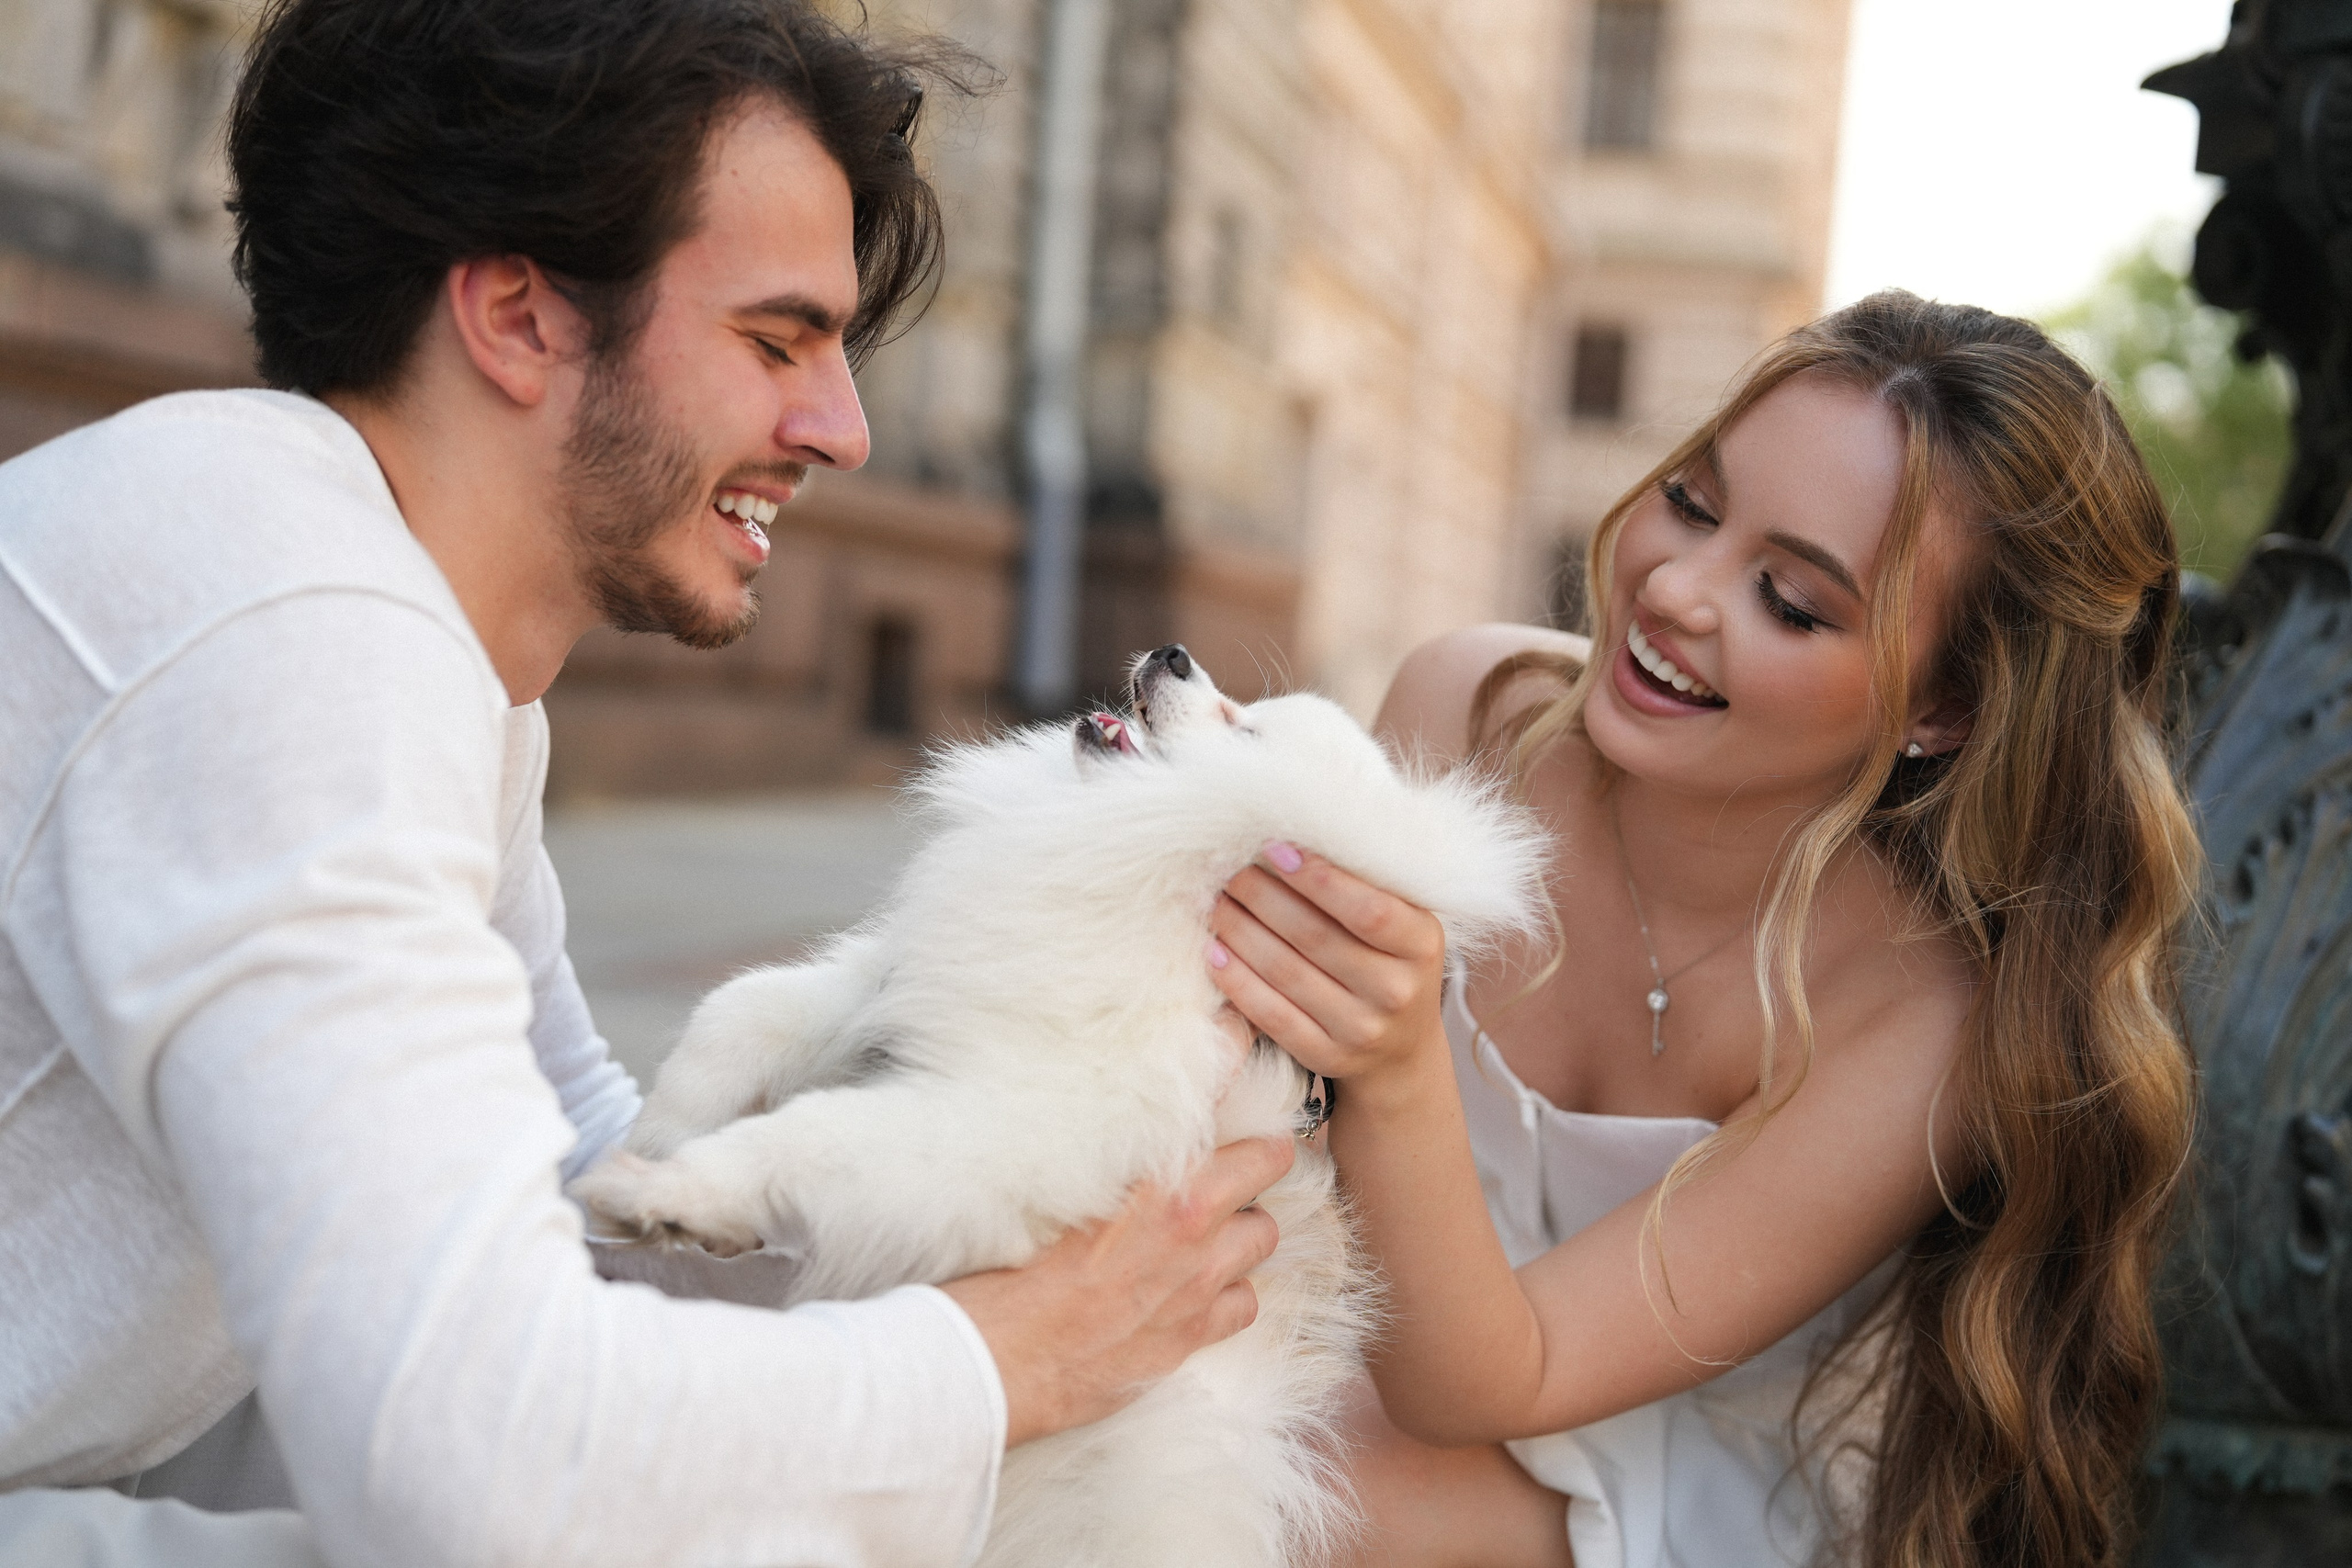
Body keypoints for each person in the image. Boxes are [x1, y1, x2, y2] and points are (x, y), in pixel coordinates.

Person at [0, 2, 1290, 1564]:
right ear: (520, 317)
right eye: (776, 340)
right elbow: (475, 1444)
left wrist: (1072, 1163)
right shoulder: (288, 629)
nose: (844, 428)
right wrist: (1008, 1358)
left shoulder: (423, 661)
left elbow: (600, 1217)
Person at [1208, 293, 2199, 1567]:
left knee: (1270, 1493)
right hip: (1329, 1348)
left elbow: (1491, 1381)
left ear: (1941, 709)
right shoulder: (1465, 706)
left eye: (1790, 600)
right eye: (1691, 500)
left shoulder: (1916, 1018)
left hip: (1645, 1471)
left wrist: (1394, 1065)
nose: (1675, 590)